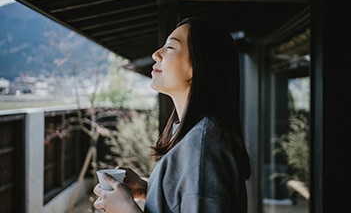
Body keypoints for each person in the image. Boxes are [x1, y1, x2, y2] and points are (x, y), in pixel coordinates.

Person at [93, 17, 251, 213]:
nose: (156, 54)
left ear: (198, 64)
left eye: (170, 47)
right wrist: (147, 190)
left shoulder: (200, 146)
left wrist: (127, 210)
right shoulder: (196, 135)